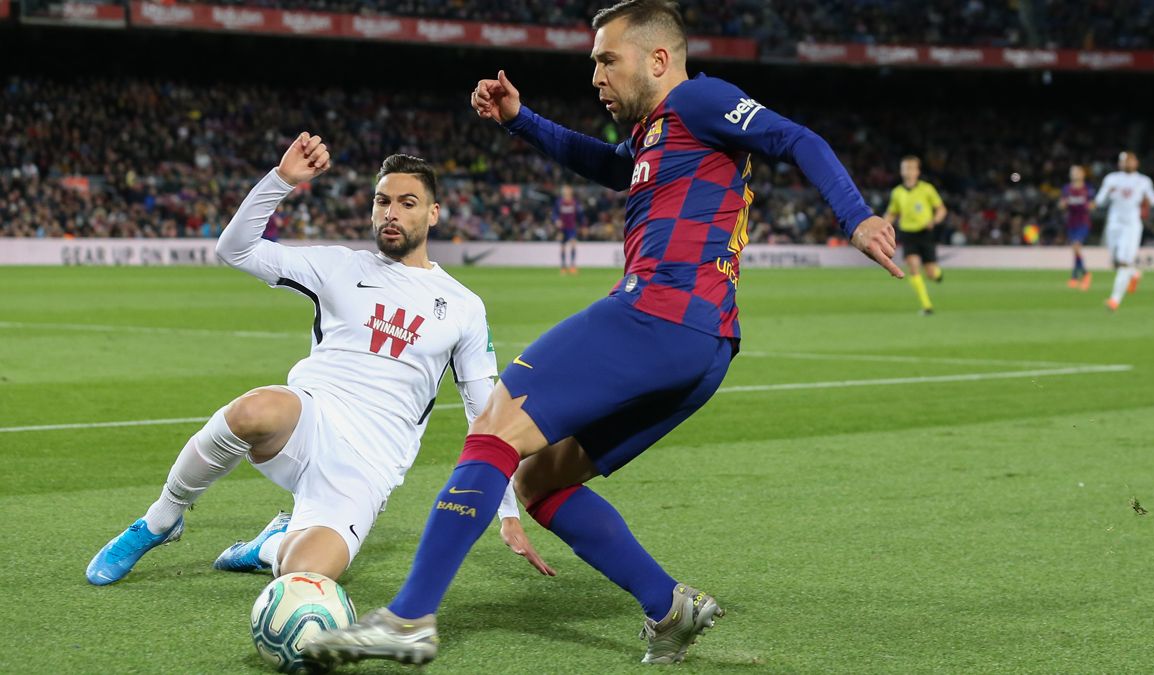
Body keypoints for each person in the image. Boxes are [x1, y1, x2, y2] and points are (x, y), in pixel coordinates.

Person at [307, 0, 901, 667]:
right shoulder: (656, 134)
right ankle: (668, 606)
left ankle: (409, 617)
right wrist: (519, 120)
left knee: (494, 431)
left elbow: (799, 139)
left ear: (658, 59)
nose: (596, 76)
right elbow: (612, 166)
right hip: (704, 347)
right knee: (538, 480)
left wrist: (856, 216)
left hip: (658, 312)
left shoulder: (702, 99)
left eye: (605, 60)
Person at [86, 133, 551, 587]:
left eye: (407, 203)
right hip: (309, 419)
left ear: (433, 214)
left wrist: (506, 510)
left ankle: (272, 544)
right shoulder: (338, 266)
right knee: (253, 409)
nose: (391, 213)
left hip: (369, 465)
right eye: (382, 201)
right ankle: (160, 521)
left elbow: (484, 411)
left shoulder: (464, 305)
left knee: (304, 574)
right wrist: (281, 179)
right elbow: (234, 250)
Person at [1095, 151, 1154, 311]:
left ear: (1136, 163)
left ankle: (1114, 300)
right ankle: (1134, 274)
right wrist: (1108, 192)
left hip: (1132, 225)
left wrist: (1147, 199)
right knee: (1116, 262)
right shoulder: (1111, 179)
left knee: (1124, 262)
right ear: (1120, 163)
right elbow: (1099, 201)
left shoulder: (1143, 181)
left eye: (1130, 161)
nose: (1127, 163)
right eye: (1124, 161)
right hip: (1114, 223)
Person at [884, 156, 947, 315]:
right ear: (901, 170)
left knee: (931, 272)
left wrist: (934, 220)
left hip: (925, 233)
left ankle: (937, 275)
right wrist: (882, 225)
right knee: (913, 266)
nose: (908, 171)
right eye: (905, 168)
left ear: (918, 171)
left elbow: (941, 209)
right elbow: (892, 213)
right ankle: (927, 306)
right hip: (907, 233)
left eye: (911, 168)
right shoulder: (897, 192)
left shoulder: (927, 189)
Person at [1060, 165, 1095, 289]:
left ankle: (1085, 274)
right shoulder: (1067, 189)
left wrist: (1086, 205)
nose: (1074, 174)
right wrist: (1063, 204)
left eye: (1077, 172)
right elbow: (1061, 204)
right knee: (1075, 249)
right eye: (1072, 172)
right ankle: (1074, 276)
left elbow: (1092, 205)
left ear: (1082, 174)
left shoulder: (1087, 188)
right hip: (1071, 222)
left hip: (1083, 222)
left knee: (1076, 246)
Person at [556, 184, 583, 274]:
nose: (566, 193)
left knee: (573, 244)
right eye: (565, 191)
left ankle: (572, 266)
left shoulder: (574, 203)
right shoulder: (559, 202)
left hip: (571, 228)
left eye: (568, 191)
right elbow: (554, 214)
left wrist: (583, 225)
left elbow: (579, 215)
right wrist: (556, 220)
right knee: (563, 247)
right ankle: (563, 267)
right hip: (562, 228)